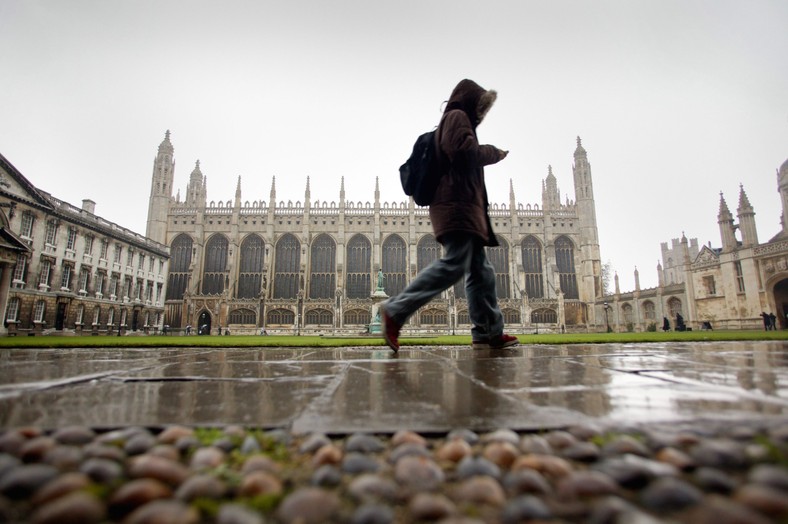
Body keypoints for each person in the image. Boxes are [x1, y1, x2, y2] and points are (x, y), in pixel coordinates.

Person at [381, 79, 518, 352]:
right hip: (457, 207)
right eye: (480, 107)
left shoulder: (456, 120)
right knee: (455, 264)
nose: (481, 114)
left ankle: (487, 331)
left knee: (481, 272)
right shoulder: (456, 117)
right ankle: (395, 310)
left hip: (465, 207)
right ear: (469, 102)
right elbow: (464, 153)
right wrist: (494, 152)